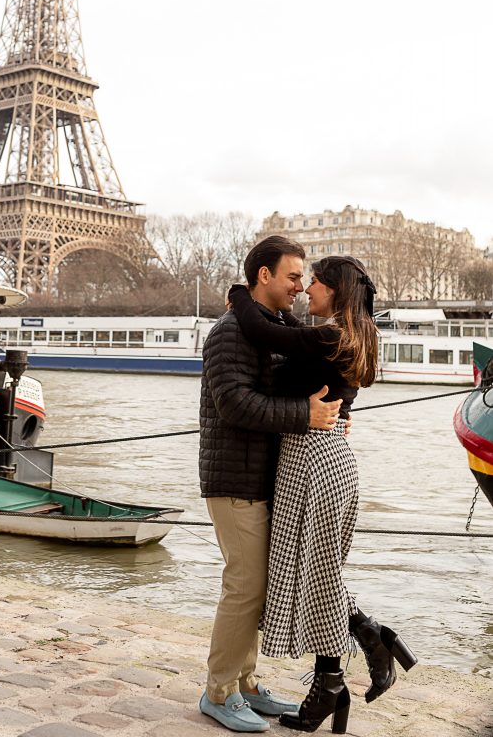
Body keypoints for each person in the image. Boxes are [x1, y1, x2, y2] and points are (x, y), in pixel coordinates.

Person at [227, 250, 417, 734]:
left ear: (334, 290)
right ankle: (363, 643)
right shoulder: (351, 334)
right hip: (317, 455)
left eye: (314, 282)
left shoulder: (332, 333)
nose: (306, 289)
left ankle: (339, 672)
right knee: (316, 570)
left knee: (318, 571)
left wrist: (237, 294)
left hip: (314, 460)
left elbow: (264, 331)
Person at [199, 235, 344, 734]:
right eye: (292, 276)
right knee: (244, 587)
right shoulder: (227, 334)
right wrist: (307, 414)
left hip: (267, 476)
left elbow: (298, 386)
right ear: (264, 276)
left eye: (304, 279)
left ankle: (246, 683)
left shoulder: (275, 328)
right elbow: (235, 404)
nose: (300, 286)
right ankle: (218, 690)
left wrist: (328, 414)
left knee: (258, 588)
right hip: (234, 477)